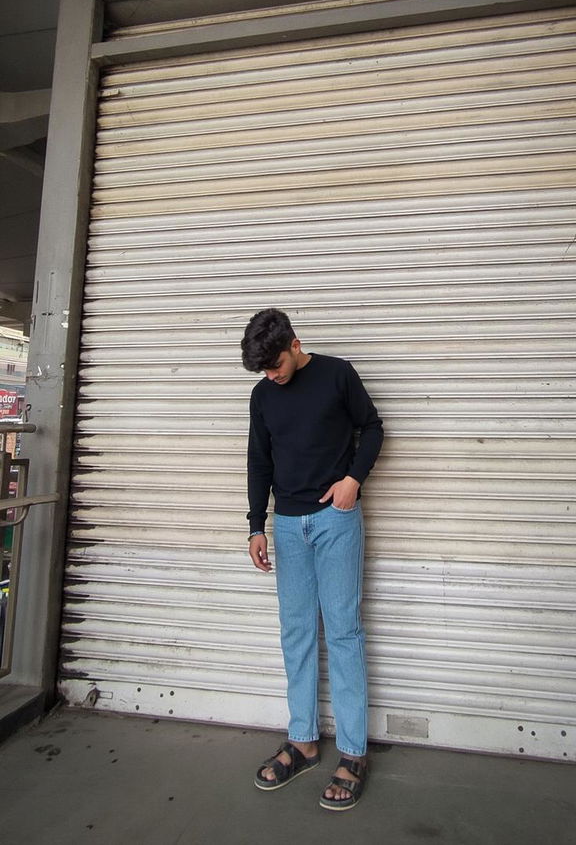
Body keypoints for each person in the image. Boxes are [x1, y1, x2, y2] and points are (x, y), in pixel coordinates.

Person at [241, 307, 384, 812]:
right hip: (287, 526)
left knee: (343, 631)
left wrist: (352, 481)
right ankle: (302, 741)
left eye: (276, 364)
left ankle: (352, 752)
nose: (272, 376)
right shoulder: (262, 396)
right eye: (264, 371)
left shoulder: (337, 374)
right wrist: (257, 524)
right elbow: (259, 459)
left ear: (295, 344)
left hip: (334, 522)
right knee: (296, 631)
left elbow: (372, 428)